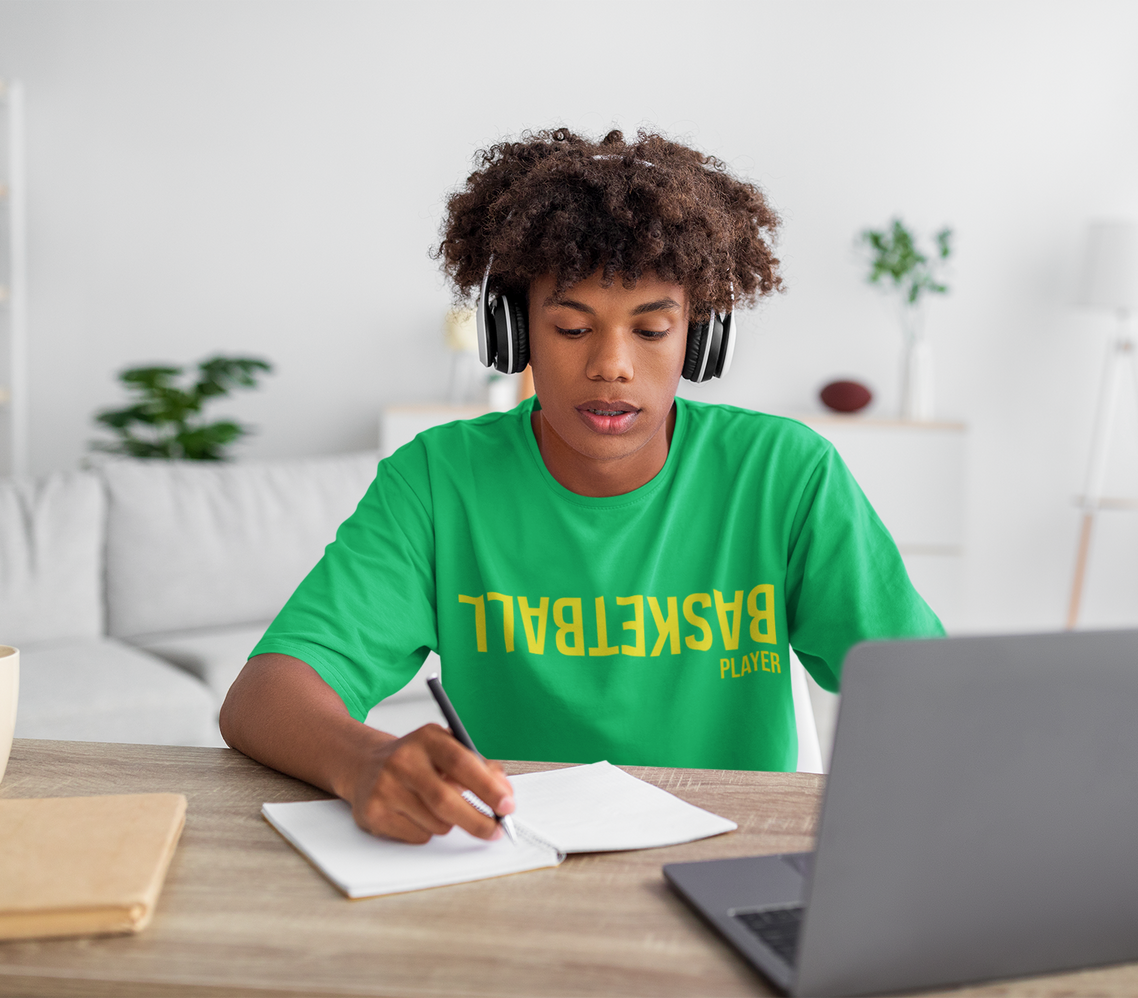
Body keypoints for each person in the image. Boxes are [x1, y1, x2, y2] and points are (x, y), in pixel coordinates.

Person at [219, 127, 942, 846]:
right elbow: (263, 697)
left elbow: (926, 692)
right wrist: (366, 759)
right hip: (520, 859)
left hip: (731, 856)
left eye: (652, 330)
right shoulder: (440, 482)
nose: (612, 366)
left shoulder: (782, 473)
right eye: (570, 328)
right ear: (514, 332)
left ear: (698, 335)